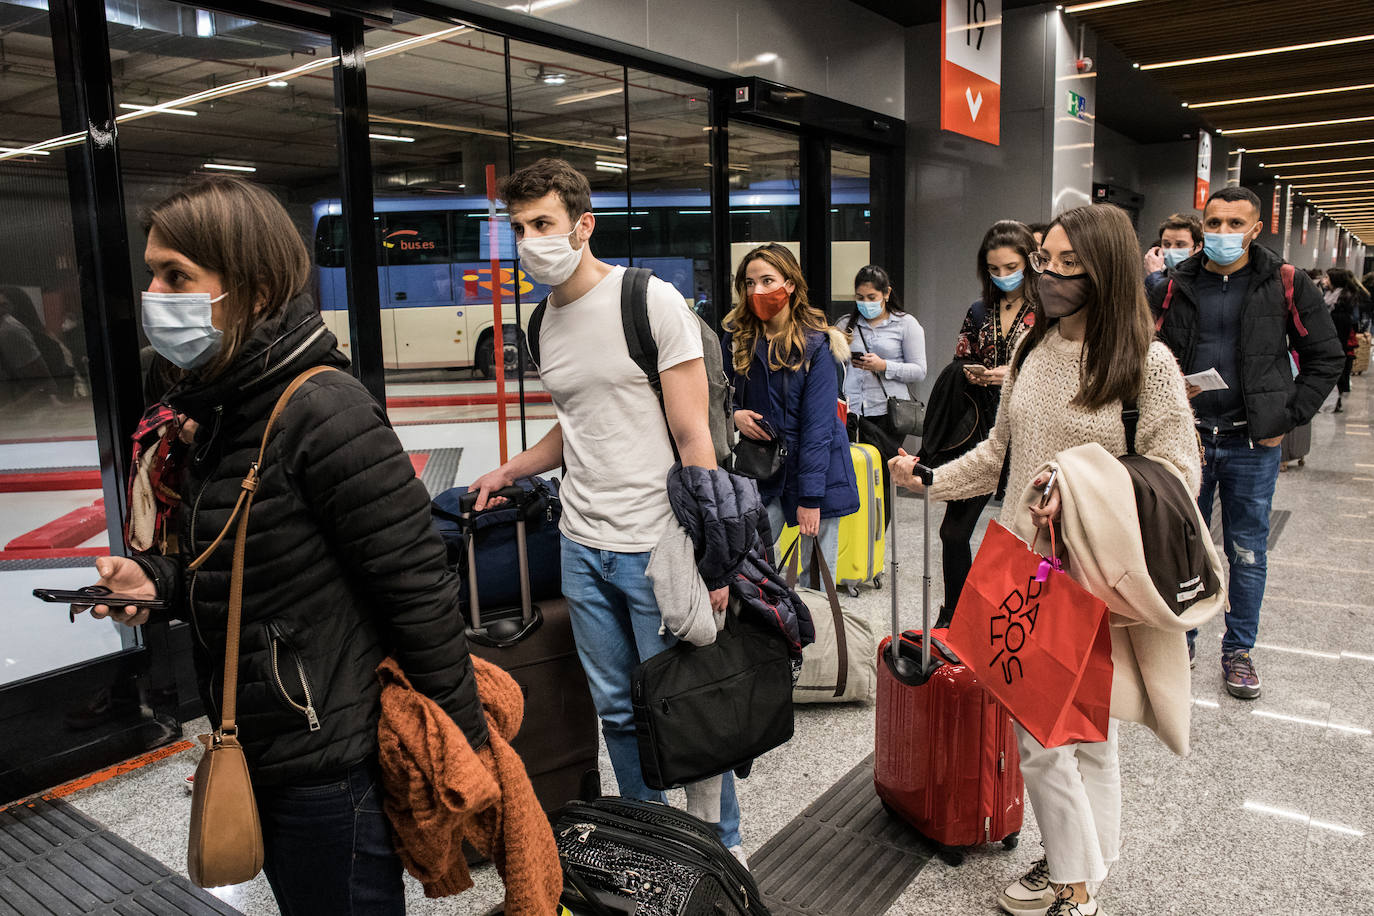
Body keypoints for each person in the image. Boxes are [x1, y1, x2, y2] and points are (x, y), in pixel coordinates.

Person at [81, 176, 490, 915]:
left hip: (328, 762)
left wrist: (463, 754)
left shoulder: (323, 410)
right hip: (265, 739)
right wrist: (160, 582)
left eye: (178, 275)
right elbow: (254, 556)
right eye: (153, 271)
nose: (155, 292)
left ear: (255, 287)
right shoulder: (227, 403)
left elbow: (417, 587)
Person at [892, 203, 1202, 916]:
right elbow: (1001, 456)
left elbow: (1178, 472)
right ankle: (1087, 863)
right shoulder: (1032, 348)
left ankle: (1074, 883)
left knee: (1044, 739)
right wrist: (932, 478)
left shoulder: (1142, 363)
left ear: (1108, 271)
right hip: (1018, 563)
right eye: (1045, 259)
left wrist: (1084, 484)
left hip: (1090, 573)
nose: (1049, 275)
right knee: (1080, 733)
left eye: (1070, 264)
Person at [467, 159, 747, 860]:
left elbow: (693, 436)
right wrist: (513, 468)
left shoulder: (647, 301)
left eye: (544, 225)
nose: (530, 241)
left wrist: (713, 557)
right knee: (617, 712)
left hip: (657, 544)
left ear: (583, 226)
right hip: (580, 544)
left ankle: (723, 847)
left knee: (679, 707)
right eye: (520, 227)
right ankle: (652, 846)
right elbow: (580, 420)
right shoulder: (541, 323)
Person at [1150, 186, 1342, 698]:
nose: (1222, 234)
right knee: (1182, 546)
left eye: (1235, 225)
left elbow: (1326, 357)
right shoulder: (1173, 283)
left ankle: (1238, 650)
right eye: (1213, 223)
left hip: (1251, 444)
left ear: (1256, 230)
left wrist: (1287, 417)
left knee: (1247, 550)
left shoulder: (1284, 282)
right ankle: (1181, 638)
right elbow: (1144, 352)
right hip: (1186, 439)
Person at [723, 243, 858, 578]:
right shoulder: (736, 340)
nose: (758, 290)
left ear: (791, 284)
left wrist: (810, 499)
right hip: (762, 468)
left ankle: (813, 632)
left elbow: (819, 427)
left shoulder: (817, 346)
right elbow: (716, 396)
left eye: (768, 280)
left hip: (816, 470)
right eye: (750, 283)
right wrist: (735, 415)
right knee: (750, 567)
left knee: (814, 578)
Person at [936, 220, 1038, 628]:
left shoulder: (1048, 311)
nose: (1002, 276)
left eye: (1010, 267)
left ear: (1030, 262)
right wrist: (974, 373)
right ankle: (955, 614)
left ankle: (1015, 622)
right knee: (953, 533)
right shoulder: (979, 310)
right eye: (993, 269)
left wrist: (1010, 375)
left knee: (1025, 538)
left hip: (1030, 430)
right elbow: (961, 356)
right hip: (981, 430)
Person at [836, 263, 926, 520]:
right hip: (853, 411)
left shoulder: (905, 324)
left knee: (881, 477)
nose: (866, 303)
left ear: (886, 293)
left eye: (872, 297)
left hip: (888, 412)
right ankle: (857, 532)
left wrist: (884, 365)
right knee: (853, 473)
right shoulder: (846, 324)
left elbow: (919, 370)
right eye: (860, 298)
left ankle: (878, 534)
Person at [1327, 268, 1369, 411]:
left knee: (1339, 368)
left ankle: (1336, 398)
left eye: (1327, 278)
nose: (1325, 281)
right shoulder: (1329, 296)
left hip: (1340, 339)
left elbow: (1354, 319)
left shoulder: (1344, 299)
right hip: (1333, 338)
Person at [1141, 213, 1203, 296]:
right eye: (1167, 244)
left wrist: (1154, 275)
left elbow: (1172, 302)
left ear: (1198, 247)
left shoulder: (1204, 278)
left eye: (1180, 244)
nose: (1171, 250)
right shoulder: (1163, 276)